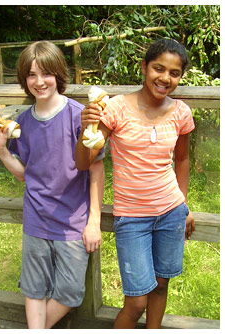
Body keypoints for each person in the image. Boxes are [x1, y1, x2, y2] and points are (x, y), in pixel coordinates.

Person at [75, 38, 195, 329]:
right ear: (144, 67)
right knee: (136, 301)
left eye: (174, 73)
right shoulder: (116, 109)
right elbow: (82, 161)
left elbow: (182, 161)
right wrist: (85, 128)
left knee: (161, 286)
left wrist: (184, 204)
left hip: (171, 213)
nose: (165, 78)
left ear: (180, 77)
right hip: (132, 219)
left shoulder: (181, 113)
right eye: (158, 68)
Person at [0, 40, 104, 329]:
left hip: (72, 222)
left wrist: (94, 221)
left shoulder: (79, 116)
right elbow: (25, 173)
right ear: (24, 79)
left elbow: (97, 168)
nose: (39, 82)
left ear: (59, 74)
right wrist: (1, 150)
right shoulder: (23, 122)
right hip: (36, 219)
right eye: (31, 75)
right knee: (33, 288)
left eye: (46, 74)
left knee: (70, 293)